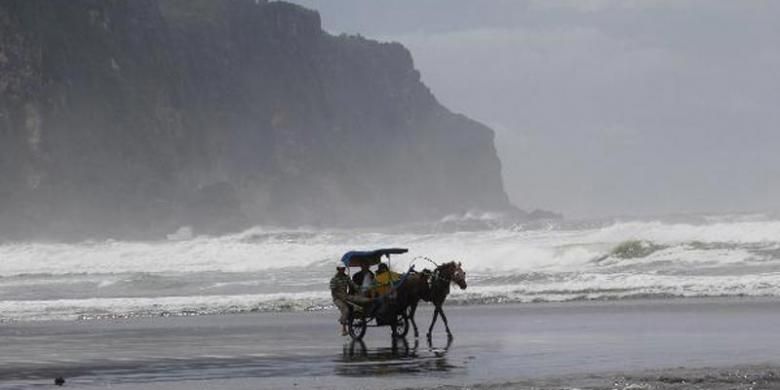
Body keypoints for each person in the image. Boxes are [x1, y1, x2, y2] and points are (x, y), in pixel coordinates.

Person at [330, 264, 358, 336]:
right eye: (341, 269)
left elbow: (353, 285)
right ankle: (344, 328)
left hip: (346, 296)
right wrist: (341, 297)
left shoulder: (346, 277)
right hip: (337, 298)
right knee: (345, 309)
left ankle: (346, 320)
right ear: (338, 269)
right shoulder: (334, 279)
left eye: (344, 269)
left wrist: (360, 288)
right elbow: (333, 291)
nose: (343, 270)